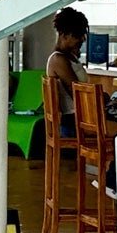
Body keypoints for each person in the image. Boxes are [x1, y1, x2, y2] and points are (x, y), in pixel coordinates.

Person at [46, 7, 88, 136]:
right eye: (78, 35)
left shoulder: (69, 57)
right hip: (73, 122)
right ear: (64, 35)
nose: (83, 39)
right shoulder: (58, 60)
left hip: (79, 118)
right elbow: (76, 92)